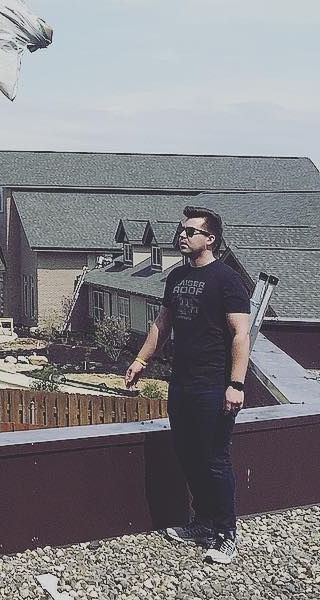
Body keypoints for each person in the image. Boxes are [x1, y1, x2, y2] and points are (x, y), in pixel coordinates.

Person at [124, 206, 251, 565]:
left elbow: (240, 335)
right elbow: (162, 325)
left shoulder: (227, 280)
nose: (182, 235)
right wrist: (141, 360)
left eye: (191, 231)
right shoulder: (177, 276)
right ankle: (203, 522)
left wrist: (236, 384)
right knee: (189, 455)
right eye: (182, 230)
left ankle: (226, 534)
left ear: (210, 239)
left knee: (214, 459)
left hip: (214, 384)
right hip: (181, 382)